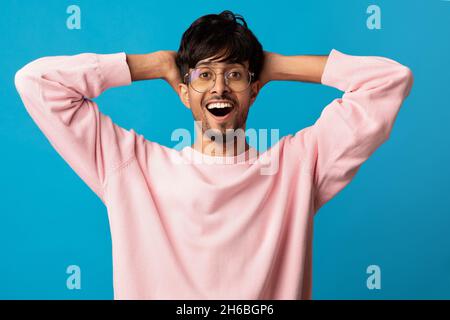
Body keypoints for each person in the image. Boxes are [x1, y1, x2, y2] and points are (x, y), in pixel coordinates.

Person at [14, 10, 413, 299]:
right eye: (204, 75)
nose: (219, 88)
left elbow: (390, 81)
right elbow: (36, 83)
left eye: (234, 75)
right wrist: (153, 64)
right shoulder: (132, 166)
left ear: (254, 90)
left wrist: (273, 66)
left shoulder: (297, 168)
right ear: (184, 91)